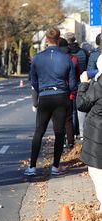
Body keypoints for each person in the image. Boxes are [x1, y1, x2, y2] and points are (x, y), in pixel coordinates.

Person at [25, 27, 77, 176]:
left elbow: (33, 82)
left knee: (39, 131)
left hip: (45, 97)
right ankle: (55, 166)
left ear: (46, 39)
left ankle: (32, 167)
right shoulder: (67, 58)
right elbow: (73, 84)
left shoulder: (37, 58)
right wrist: (68, 93)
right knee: (59, 132)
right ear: (59, 39)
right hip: (61, 96)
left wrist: (41, 90)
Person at [76, 54, 102, 213]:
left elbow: (82, 104)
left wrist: (83, 84)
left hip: (98, 133)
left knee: (97, 171)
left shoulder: (99, 85)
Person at [65, 32, 89, 140]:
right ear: (75, 40)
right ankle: (82, 131)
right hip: (83, 81)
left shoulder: (66, 54)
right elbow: (88, 68)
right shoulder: (83, 52)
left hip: (70, 82)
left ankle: (73, 132)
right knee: (81, 108)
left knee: (72, 109)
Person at [58, 37, 81, 149]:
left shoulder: (56, 58)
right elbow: (77, 75)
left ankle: (61, 140)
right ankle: (70, 141)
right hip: (70, 92)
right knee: (69, 118)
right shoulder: (74, 58)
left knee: (59, 118)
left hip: (58, 91)